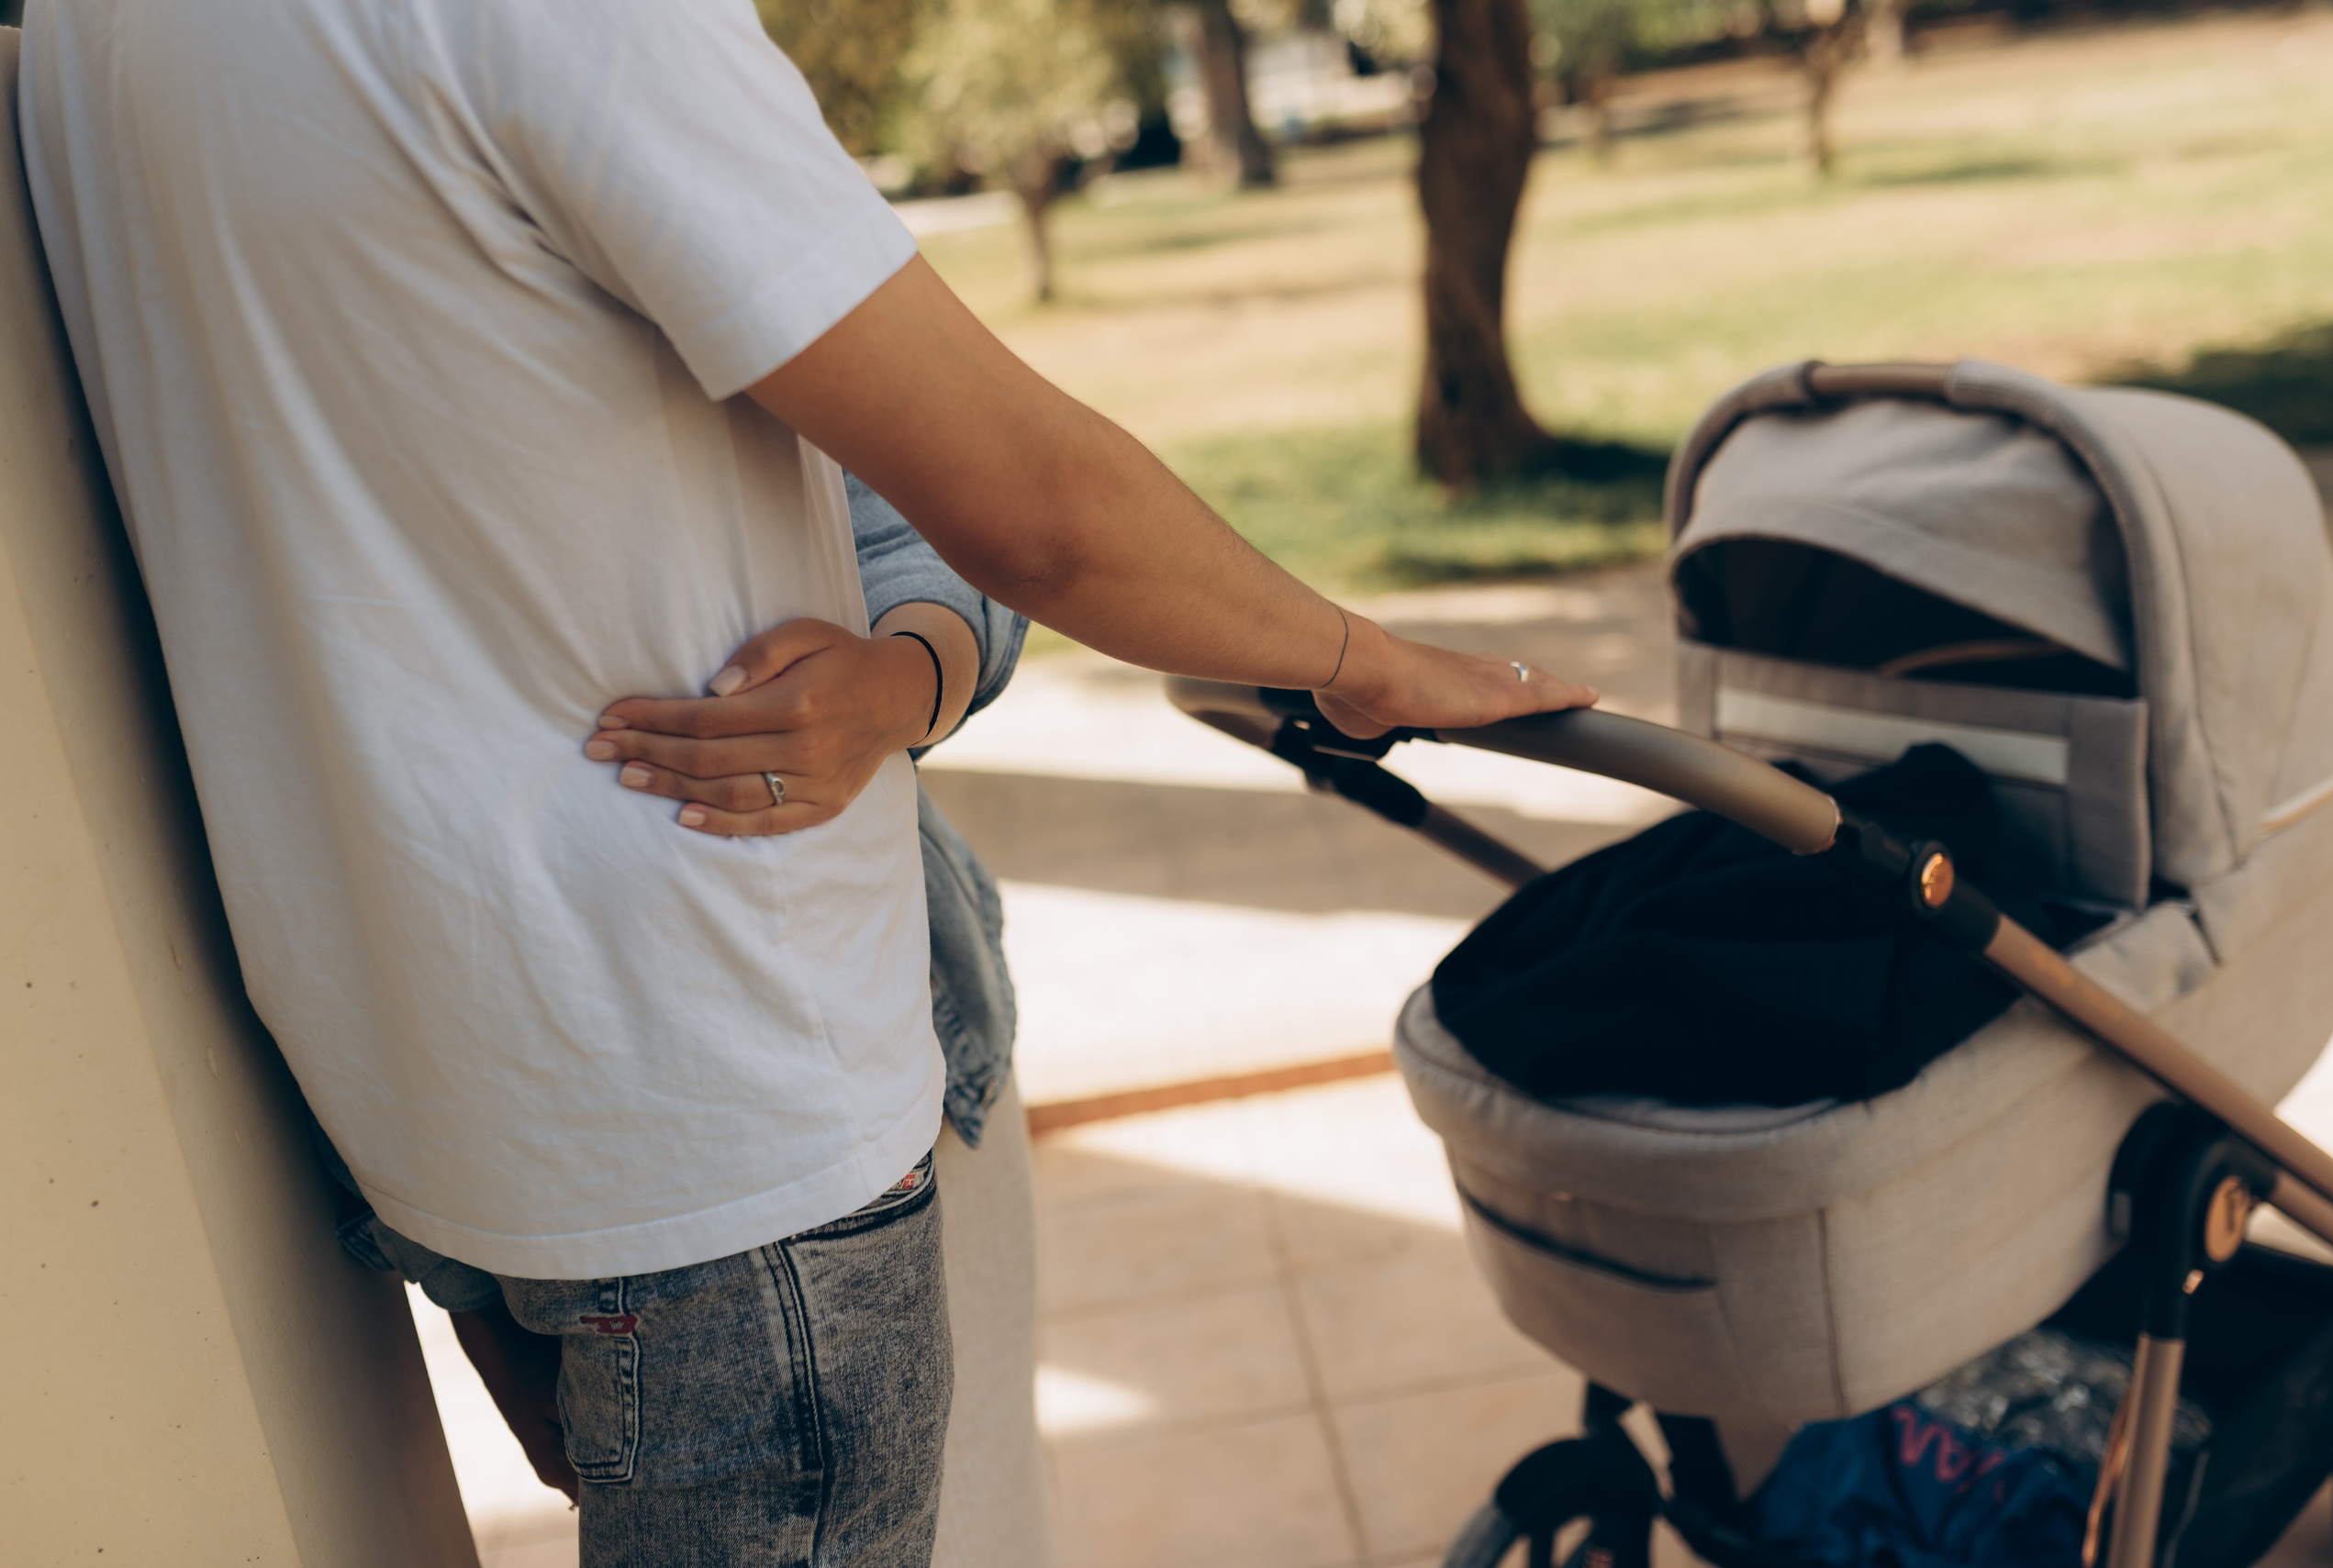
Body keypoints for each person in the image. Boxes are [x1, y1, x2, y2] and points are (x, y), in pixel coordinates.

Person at [19, 2, 1593, 1562]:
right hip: (704, 1102)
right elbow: (1030, 506)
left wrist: (907, 671)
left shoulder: (97, 36)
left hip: (432, 1077)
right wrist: (1356, 658)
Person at [318, 480, 1054, 1562]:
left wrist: (914, 673)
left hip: (872, 1078)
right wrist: (461, 1275)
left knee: (996, 1518)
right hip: (580, 1164)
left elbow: (949, 503)